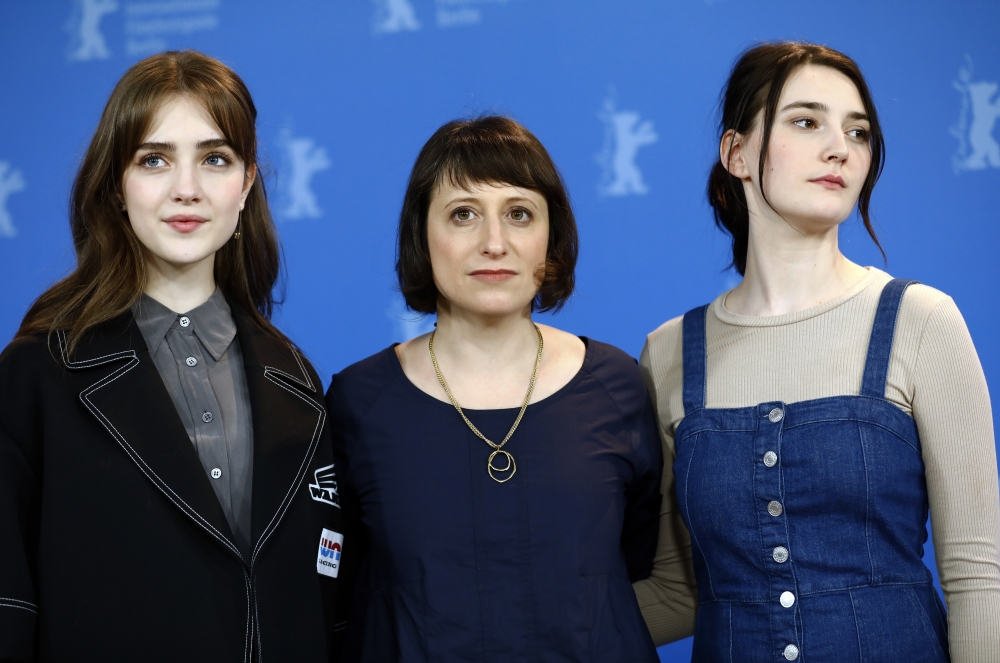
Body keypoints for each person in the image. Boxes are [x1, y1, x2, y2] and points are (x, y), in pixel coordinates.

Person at [633, 42, 1000, 662]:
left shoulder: (920, 320)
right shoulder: (668, 351)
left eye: (857, 131)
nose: (840, 147)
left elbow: (976, 575)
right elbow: (678, 591)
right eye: (807, 122)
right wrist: (515, 627)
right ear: (736, 154)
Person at [0, 51, 345, 662]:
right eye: (154, 159)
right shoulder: (36, 375)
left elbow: (328, 603)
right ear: (116, 184)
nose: (186, 189)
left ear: (246, 185)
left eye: (215, 159)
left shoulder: (295, 379)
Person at [326, 116, 662, 662]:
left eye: (519, 214)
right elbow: (338, 590)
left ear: (551, 235)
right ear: (421, 234)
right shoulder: (359, 402)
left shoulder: (616, 385)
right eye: (463, 215)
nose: (494, 243)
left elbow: (637, 563)